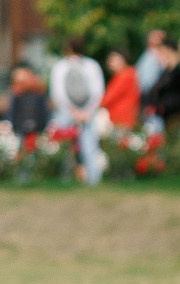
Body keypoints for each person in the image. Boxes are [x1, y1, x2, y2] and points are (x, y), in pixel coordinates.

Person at [48, 37, 106, 183]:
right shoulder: (92, 65)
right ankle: (93, 180)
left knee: (65, 147)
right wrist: (87, 112)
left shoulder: (60, 67)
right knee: (90, 147)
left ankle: (65, 178)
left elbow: (58, 94)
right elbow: (98, 92)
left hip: (67, 113)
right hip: (86, 114)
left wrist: (73, 112)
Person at [100, 49, 141, 134]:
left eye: (113, 60)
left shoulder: (125, 76)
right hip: (121, 119)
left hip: (121, 120)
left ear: (123, 60)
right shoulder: (125, 75)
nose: (110, 63)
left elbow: (107, 99)